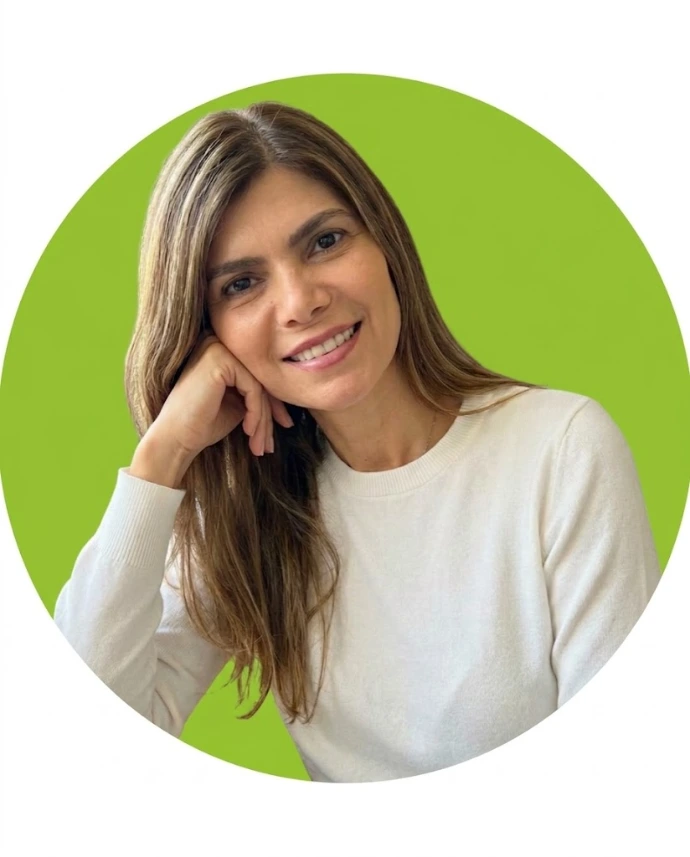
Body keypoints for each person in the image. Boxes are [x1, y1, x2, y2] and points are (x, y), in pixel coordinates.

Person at [54, 101, 660, 784]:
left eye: (325, 242)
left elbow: (615, 773)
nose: (301, 301)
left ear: (386, 245)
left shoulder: (562, 452)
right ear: (205, 329)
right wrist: (161, 456)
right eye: (242, 283)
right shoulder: (248, 513)